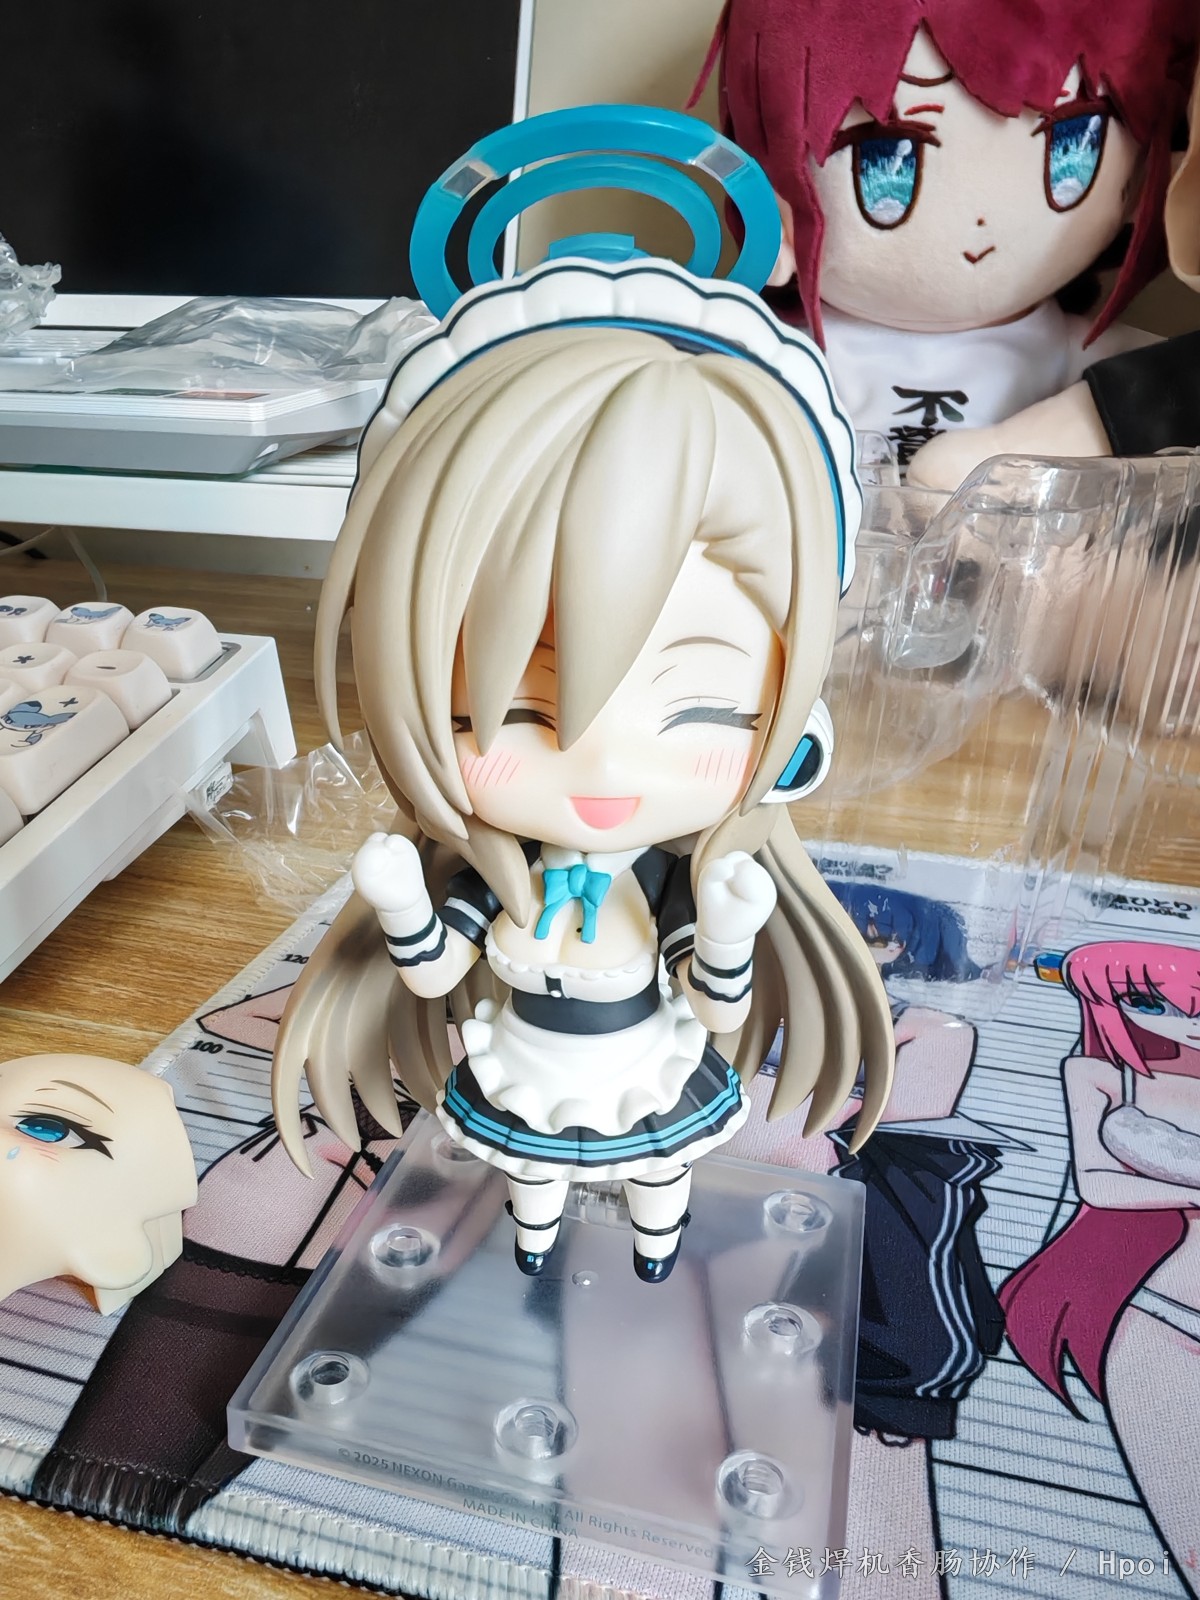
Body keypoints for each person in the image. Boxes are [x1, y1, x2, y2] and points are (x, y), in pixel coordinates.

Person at [271, 255, 895, 1284]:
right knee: (534, 1169)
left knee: (658, 1166)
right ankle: (534, 1237)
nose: (601, 758)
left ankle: (657, 1240)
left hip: (641, 1055)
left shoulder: (665, 875)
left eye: (700, 709)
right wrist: (402, 902)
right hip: (528, 1054)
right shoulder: (501, 874)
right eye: (517, 713)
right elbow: (433, 970)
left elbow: (718, 1004)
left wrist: (728, 924)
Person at [695, 0, 1198, 467]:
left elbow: (1161, 405)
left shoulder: (1089, 360)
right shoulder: (782, 354)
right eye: (885, 162)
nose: (982, 219)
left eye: (1069, 149)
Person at [1000, 940, 1200, 1584]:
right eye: (1149, 1002)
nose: (1185, 1021)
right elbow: (1099, 1184)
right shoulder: (1100, 1072)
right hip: (1161, 1312)